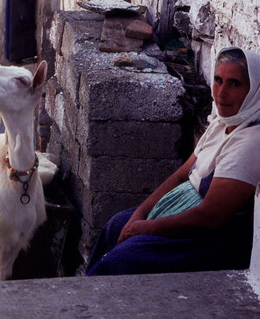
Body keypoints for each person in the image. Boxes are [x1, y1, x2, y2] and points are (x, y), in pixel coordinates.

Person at [86, 47, 260, 275]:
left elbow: (210, 216)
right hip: (179, 210)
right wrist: (139, 215)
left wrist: (146, 228)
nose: (221, 93)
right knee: (117, 225)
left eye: (234, 83)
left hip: (207, 239)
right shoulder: (222, 123)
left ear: (254, 91)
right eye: (218, 80)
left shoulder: (251, 141)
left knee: (123, 259)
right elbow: (181, 175)